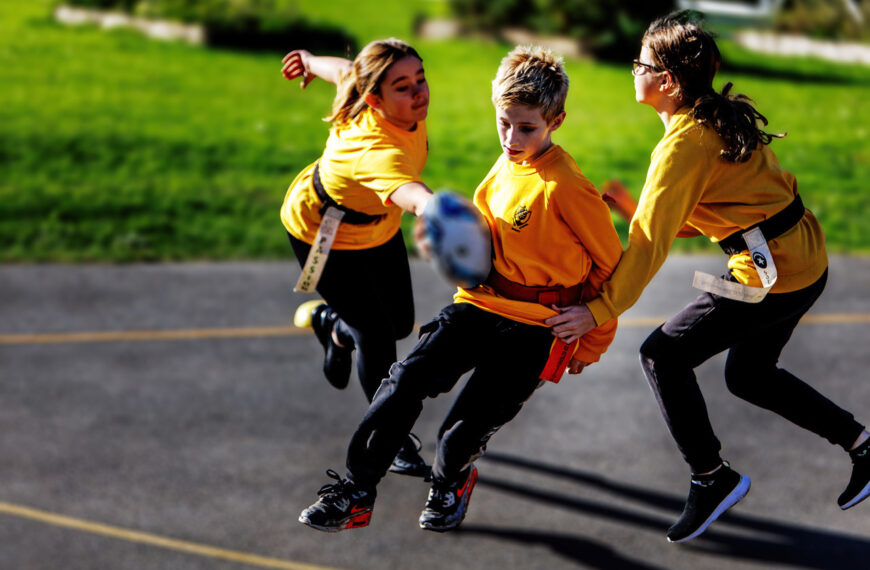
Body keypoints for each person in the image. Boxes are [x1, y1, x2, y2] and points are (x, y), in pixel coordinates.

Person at [550, 11, 870, 543]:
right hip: (802, 262)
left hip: (769, 275)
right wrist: (639, 210)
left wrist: (598, 311)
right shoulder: (713, 117)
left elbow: (648, 247)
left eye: (641, 64)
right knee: (749, 375)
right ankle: (862, 445)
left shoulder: (681, 146)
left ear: (667, 82)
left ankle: (711, 478)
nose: (634, 70)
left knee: (661, 354)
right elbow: (733, 211)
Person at [298, 45, 623, 533]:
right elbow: (486, 247)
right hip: (479, 305)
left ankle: (450, 482)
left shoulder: (567, 188)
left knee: (458, 434)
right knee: (403, 381)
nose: (511, 138)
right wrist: (451, 248)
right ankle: (356, 490)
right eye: (503, 123)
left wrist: (593, 331)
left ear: (556, 120)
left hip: (539, 328)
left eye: (526, 127)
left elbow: (612, 267)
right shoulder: (504, 167)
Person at [280, 39, 436, 478]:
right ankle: (390, 439)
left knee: (401, 322)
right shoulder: (375, 151)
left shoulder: (365, 86)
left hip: (374, 225)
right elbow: (414, 196)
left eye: (420, 79)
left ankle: (334, 325)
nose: (419, 92)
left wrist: (309, 61)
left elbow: (343, 68)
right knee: (378, 339)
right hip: (321, 233)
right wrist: (440, 214)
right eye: (403, 87)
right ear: (375, 99)